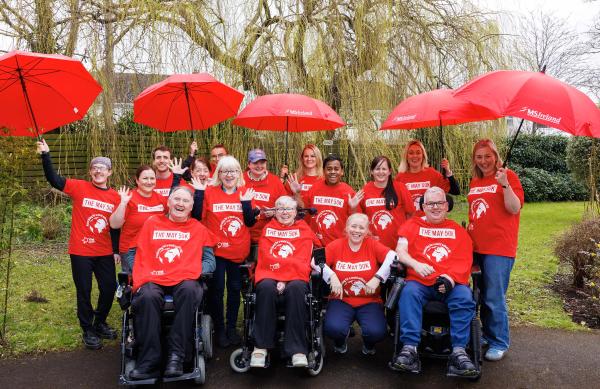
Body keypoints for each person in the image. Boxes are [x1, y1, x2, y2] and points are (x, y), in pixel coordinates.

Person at [36, 138, 120, 350]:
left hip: (104, 251)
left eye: (103, 168)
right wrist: (46, 155)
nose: (98, 171)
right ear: (90, 172)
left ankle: (99, 321)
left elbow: (117, 226)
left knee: (109, 288)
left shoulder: (115, 197)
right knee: (84, 290)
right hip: (81, 250)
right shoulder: (79, 187)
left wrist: (117, 250)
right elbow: (54, 179)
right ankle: (88, 330)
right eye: (95, 168)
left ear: (109, 172)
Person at [128, 186, 217, 380]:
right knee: (147, 296)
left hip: (184, 279)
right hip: (154, 275)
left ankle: (177, 356)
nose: (180, 204)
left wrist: (192, 270)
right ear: (168, 202)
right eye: (177, 199)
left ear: (192, 206)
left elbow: (210, 260)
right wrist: (134, 271)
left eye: (185, 201)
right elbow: (133, 251)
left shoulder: (198, 229)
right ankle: (149, 360)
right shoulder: (151, 223)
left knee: (189, 290)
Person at [392, 187, 477, 377]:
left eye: (439, 203)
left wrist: (450, 279)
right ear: (423, 206)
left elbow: (465, 259)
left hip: (450, 283)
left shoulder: (457, 231)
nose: (435, 207)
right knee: (408, 293)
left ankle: (459, 352)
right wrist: (415, 264)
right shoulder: (411, 225)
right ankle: (409, 349)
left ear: (447, 206)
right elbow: (400, 251)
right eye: (431, 203)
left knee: (464, 297)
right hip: (420, 282)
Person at [191, 155, 257, 348]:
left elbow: (250, 222)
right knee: (217, 290)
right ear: (219, 173)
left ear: (239, 173)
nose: (229, 175)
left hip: (238, 251)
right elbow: (196, 216)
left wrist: (246, 203)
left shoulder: (245, 192)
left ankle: (231, 328)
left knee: (235, 290)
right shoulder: (210, 192)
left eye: (233, 171)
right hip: (217, 251)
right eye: (225, 171)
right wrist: (199, 193)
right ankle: (219, 328)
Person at [467, 139, 523, 361]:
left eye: (487, 156)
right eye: (479, 157)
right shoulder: (475, 180)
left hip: (498, 247)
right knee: (479, 295)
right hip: (476, 246)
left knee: (493, 297)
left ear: (496, 155)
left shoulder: (508, 176)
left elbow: (514, 208)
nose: (483, 161)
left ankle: (499, 341)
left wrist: (505, 184)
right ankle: (487, 336)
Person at [250, 196, 321, 368]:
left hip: (296, 276)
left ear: (296, 212)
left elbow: (303, 258)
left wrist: (284, 278)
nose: (284, 212)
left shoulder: (303, 230)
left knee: (296, 288)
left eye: (289, 208)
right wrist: (278, 276)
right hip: (270, 273)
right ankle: (261, 347)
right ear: (275, 211)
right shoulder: (268, 229)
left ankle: (297, 350)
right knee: (265, 287)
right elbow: (266, 257)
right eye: (280, 208)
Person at [322, 213, 396, 355]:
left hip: (369, 300)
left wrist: (378, 277)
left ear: (367, 231)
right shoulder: (336, 245)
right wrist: (332, 276)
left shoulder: (372, 245)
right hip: (341, 299)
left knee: (377, 332)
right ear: (346, 228)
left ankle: (368, 344)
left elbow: (394, 256)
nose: (357, 230)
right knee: (333, 328)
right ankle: (340, 341)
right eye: (353, 226)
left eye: (361, 228)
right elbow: (315, 261)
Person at [109, 165, 167, 273]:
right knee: (134, 282)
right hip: (131, 250)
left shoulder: (161, 199)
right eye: (145, 178)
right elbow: (114, 225)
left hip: (154, 248)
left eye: (152, 178)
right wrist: (123, 204)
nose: (149, 182)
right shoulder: (128, 198)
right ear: (137, 180)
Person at [295, 155, 362, 245]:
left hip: (339, 245)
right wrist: (296, 193)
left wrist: (353, 208)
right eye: (329, 169)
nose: (332, 172)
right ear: (324, 171)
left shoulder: (348, 192)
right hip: (316, 244)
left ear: (342, 172)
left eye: (336, 169)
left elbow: (357, 221)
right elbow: (303, 209)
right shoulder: (314, 188)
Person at [359, 156, 415, 249]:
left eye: (384, 169)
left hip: (398, 245)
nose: (381, 172)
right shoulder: (365, 190)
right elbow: (360, 218)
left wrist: (405, 236)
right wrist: (367, 234)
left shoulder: (400, 188)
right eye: (377, 169)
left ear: (389, 171)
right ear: (371, 172)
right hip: (374, 246)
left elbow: (411, 214)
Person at [395, 140, 459, 215]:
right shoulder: (400, 178)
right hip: (410, 223)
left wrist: (448, 171)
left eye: (418, 153)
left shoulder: (432, 174)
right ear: (406, 156)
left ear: (423, 155)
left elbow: (455, 191)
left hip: (429, 223)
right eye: (411, 153)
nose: (415, 156)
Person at [244, 148, 287, 242]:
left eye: (262, 162)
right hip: (243, 234)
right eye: (256, 163)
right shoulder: (240, 180)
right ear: (249, 164)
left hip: (268, 235)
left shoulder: (275, 181)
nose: (259, 166)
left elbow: (286, 207)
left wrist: (274, 212)